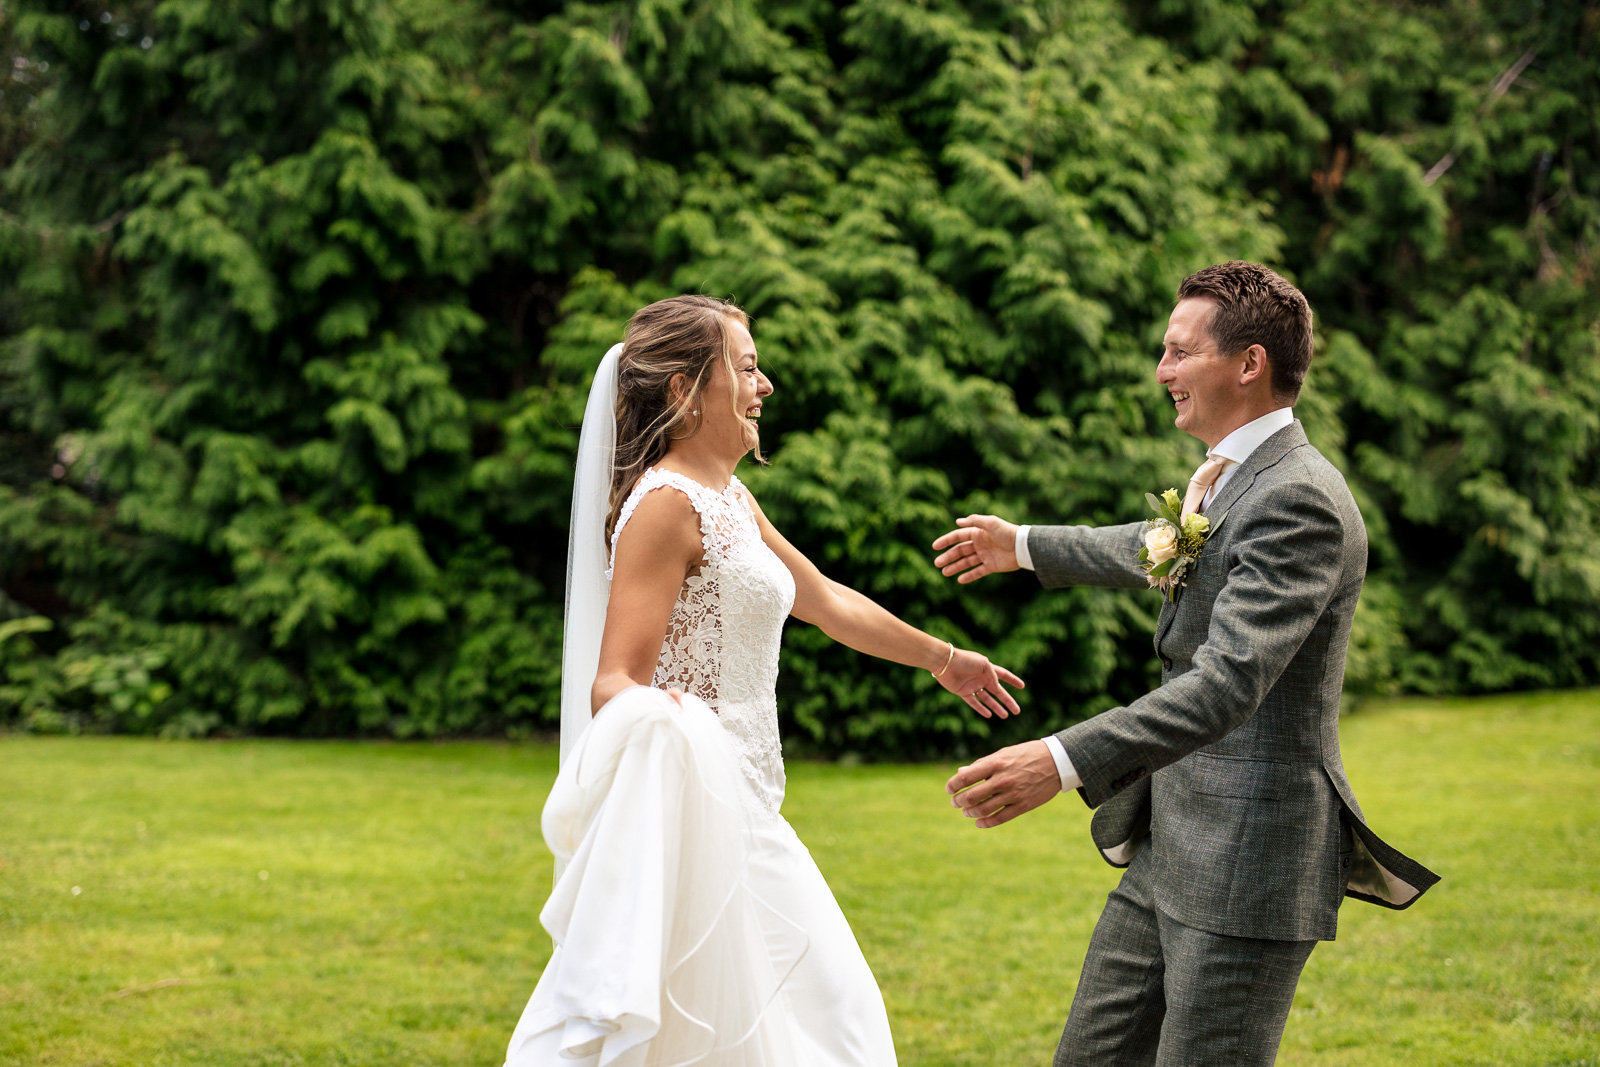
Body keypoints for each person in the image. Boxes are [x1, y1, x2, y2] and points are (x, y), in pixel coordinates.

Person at [931, 262, 1439, 1066]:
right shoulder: (1237, 480)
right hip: (1172, 840)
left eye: (1177, 352)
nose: (1162, 372)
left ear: (1249, 364)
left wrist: (1061, 759)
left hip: (1249, 859)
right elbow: (1157, 547)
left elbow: (1226, 683)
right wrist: (1022, 546)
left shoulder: (1299, 498)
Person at [505, 294, 1025, 1067]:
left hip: (752, 802)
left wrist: (945, 659)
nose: (766, 385)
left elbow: (825, 599)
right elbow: (611, 680)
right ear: (685, 390)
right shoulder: (665, 507)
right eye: (747, 367)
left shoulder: (730, 501)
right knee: (835, 1017)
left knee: (780, 1031)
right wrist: (665, 714)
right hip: (700, 819)